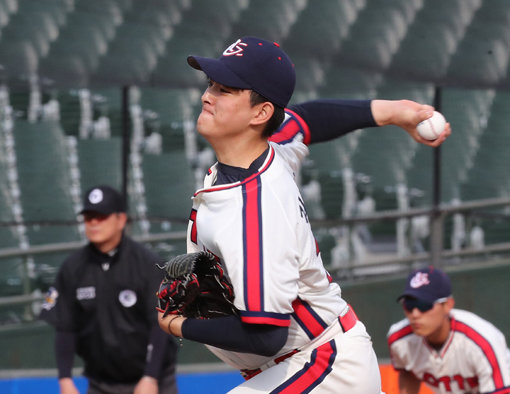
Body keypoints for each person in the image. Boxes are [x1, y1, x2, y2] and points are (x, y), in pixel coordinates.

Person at [157, 36, 451, 393]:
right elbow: (308, 119)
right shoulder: (271, 147)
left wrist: (175, 324)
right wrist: (393, 112)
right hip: (301, 362)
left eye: (226, 89)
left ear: (261, 113)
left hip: (324, 365)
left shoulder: (254, 210)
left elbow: (266, 334)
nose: (207, 96)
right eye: (211, 84)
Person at [40, 185, 178, 394]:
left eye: (101, 216)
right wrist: (65, 380)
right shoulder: (72, 268)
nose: (94, 223)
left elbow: (159, 324)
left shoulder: (148, 264)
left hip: (152, 380)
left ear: (121, 220)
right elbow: (65, 326)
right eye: (88, 217)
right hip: (101, 383)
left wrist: (150, 377)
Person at [387, 266, 510, 394]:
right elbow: (408, 373)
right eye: (409, 305)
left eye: (424, 305)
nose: (415, 314)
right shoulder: (400, 339)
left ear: (448, 305)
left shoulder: (481, 340)